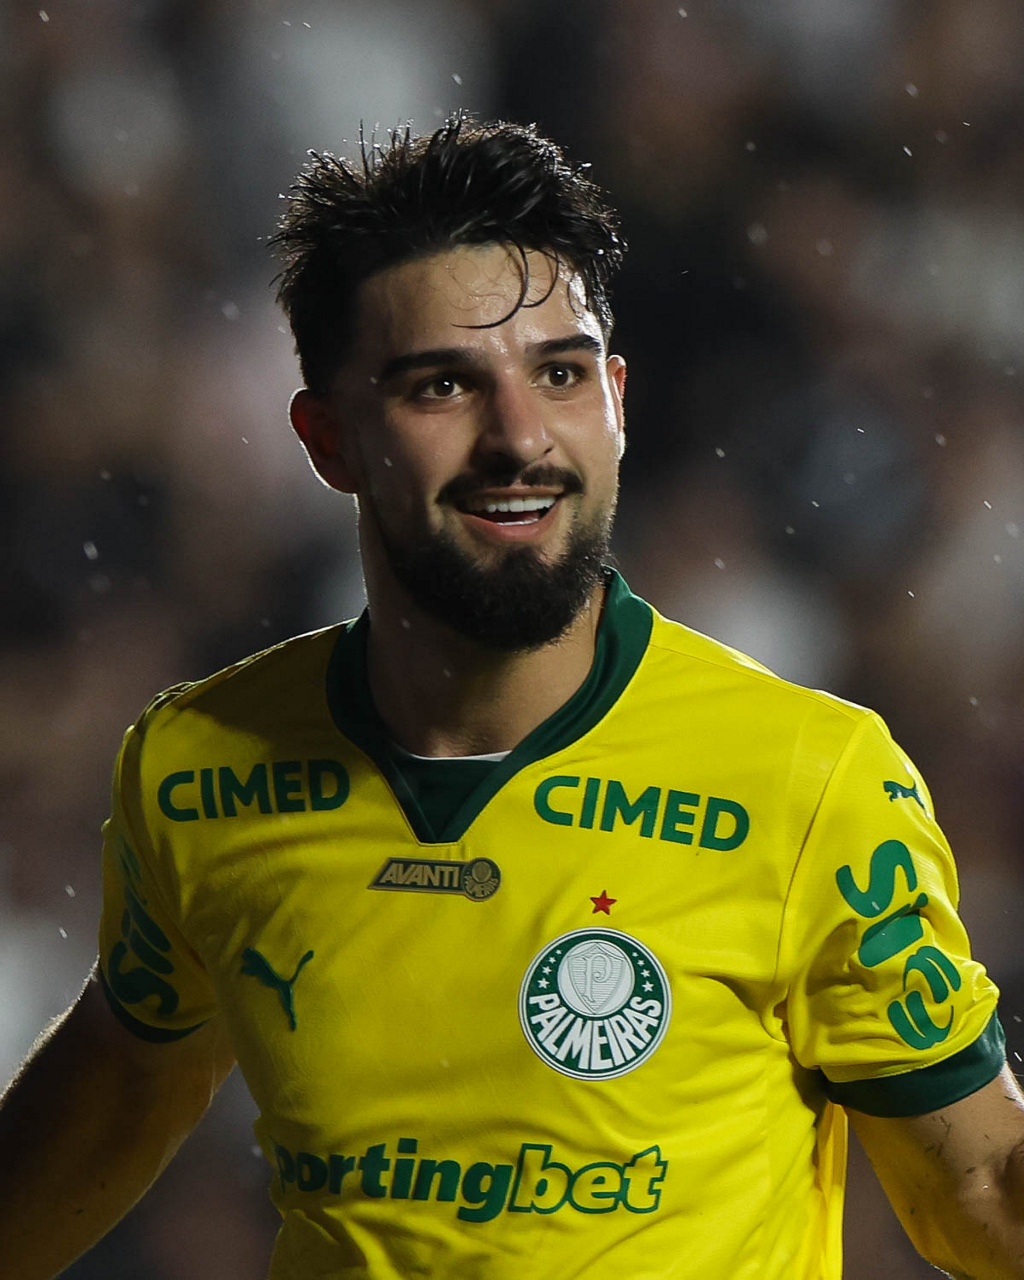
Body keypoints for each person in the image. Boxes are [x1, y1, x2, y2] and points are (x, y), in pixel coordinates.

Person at [1, 114, 1023, 1280]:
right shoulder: (198, 768)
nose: (520, 437)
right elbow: (124, 1085)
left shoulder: (810, 784)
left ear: (617, 400)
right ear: (329, 439)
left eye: (561, 373)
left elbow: (980, 1187)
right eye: (444, 384)